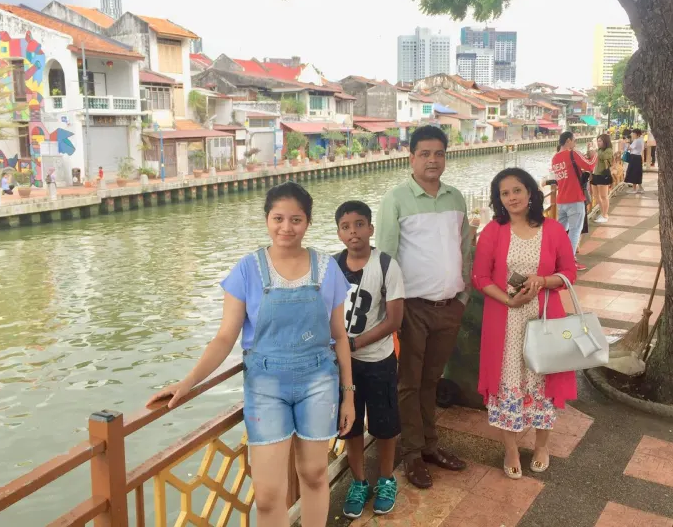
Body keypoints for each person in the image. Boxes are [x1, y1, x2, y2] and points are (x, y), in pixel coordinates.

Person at [147, 182, 355, 527]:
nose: (286, 227)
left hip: (319, 381)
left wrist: (348, 395)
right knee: (268, 494)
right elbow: (224, 337)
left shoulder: (326, 268)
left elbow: (339, 336)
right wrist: (188, 382)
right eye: (278, 218)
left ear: (308, 222)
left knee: (315, 474)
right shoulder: (248, 269)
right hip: (265, 387)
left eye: (296, 219)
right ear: (266, 219)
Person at [376, 124, 471, 490]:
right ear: (411, 157)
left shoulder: (455, 197)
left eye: (439, 153)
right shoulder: (396, 199)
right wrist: (391, 309)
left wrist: (462, 298)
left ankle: (430, 445)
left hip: (449, 307)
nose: (433, 160)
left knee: (432, 380)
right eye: (425, 154)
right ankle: (412, 454)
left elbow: (465, 249)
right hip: (413, 308)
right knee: (409, 383)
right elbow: (386, 257)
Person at [472, 168, 578, 480]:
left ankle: (542, 446)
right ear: (499, 199)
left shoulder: (553, 229)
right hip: (506, 322)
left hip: (544, 319)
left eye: (517, 190)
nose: (512, 198)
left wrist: (543, 280)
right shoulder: (493, 231)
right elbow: (480, 277)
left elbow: (569, 273)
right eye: (504, 193)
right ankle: (511, 449)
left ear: (530, 192)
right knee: (508, 382)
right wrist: (508, 301)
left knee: (544, 381)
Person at [334, 200, 405, 519]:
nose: (353, 232)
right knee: (349, 425)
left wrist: (355, 343)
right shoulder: (332, 267)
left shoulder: (386, 265)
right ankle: (359, 481)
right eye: (346, 227)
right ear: (339, 233)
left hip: (378, 360)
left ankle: (386, 479)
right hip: (344, 364)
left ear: (371, 228)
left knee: (384, 424)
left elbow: (394, 320)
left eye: (360, 224)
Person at [550, 132, 596, 271]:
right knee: (575, 231)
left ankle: (556, 259)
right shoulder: (573, 154)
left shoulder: (555, 158)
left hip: (561, 200)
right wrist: (594, 153)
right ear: (568, 141)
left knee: (560, 232)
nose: (575, 143)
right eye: (574, 140)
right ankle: (568, 262)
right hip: (575, 199)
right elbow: (590, 165)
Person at [590, 134, 614, 223]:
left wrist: (595, 151)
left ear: (605, 141)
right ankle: (602, 211)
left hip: (603, 175)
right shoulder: (599, 150)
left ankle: (605, 215)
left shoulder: (609, 150)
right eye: (597, 141)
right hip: (595, 174)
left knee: (604, 196)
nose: (598, 142)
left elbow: (603, 156)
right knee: (596, 196)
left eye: (600, 141)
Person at [625, 128, 645, 194]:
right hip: (638, 157)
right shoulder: (641, 140)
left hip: (634, 157)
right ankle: (640, 188)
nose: (632, 135)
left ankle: (634, 189)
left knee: (633, 172)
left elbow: (629, 148)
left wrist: (628, 142)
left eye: (634, 134)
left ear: (637, 134)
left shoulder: (636, 141)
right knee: (637, 173)